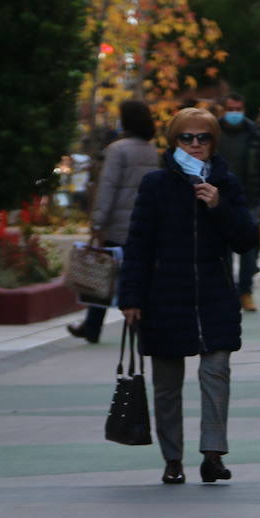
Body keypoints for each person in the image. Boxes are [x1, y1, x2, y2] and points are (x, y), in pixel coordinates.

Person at [120, 108, 255, 484]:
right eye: (186, 138)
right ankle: (172, 459)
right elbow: (138, 245)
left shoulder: (226, 183)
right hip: (165, 296)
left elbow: (246, 240)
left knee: (216, 374)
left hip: (214, 294)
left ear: (214, 143)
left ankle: (213, 454)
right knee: (166, 385)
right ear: (173, 141)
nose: (195, 145)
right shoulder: (156, 185)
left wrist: (218, 206)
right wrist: (130, 298)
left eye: (203, 138)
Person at [68, 100, 159, 343]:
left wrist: (98, 222)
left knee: (103, 273)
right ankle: (141, 324)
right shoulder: (151, 150)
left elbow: (107, 187)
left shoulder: (118, 149)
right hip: (145, 224)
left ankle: (92, 326)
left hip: (119, 224)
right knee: (140, 275)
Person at [220, 94, 260, 312]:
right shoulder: (213, 133)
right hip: (219, 198)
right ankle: (226, 293)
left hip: (248, 199)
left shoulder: (254, 134)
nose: (234, 112)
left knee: (248, 250)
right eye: (230, 108)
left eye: (238, 108)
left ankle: (246, 291)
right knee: (221, 250)